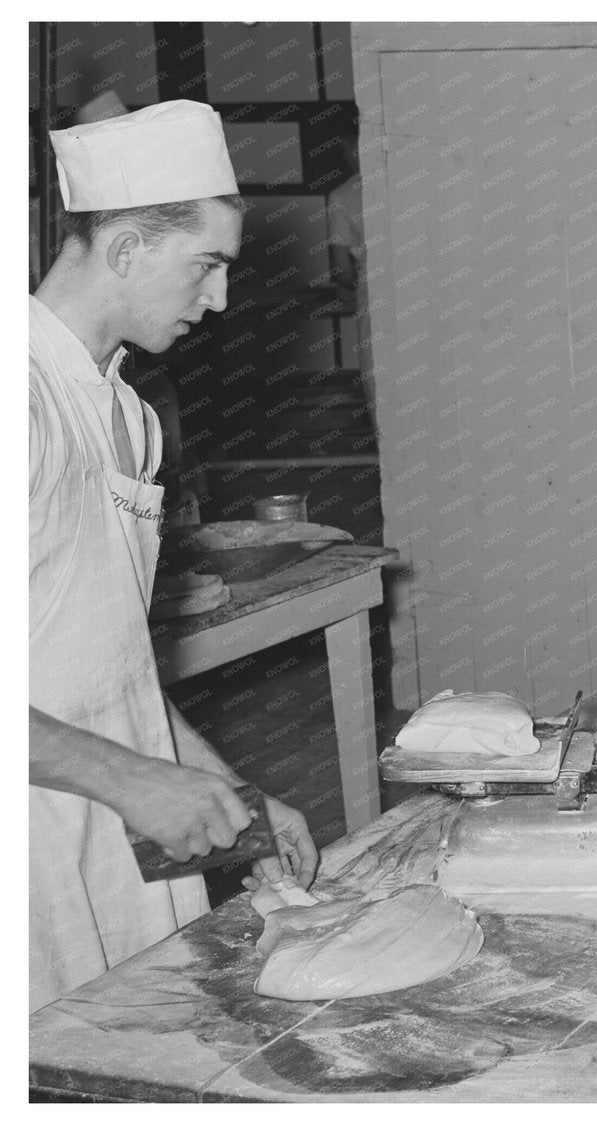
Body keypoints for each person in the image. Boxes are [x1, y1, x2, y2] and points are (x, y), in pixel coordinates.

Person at [29, 100, 319, 1013]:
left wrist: (226, 789)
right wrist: (132, 778)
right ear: (123, 249)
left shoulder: (126, 414)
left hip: (121, 816)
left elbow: (103, 655)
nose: (219, 298)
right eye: (207, 265)